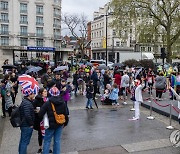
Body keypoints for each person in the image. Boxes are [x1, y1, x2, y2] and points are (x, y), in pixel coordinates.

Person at [38, 87, 69, 154]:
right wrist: (65, 123)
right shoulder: (62, 102)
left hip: (50, 125)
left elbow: (40, 114)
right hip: (59, 123)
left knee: (47, 141)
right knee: (57, 141)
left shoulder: (47, 103)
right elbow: (65, 113)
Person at [33, 88, 52, 153]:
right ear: (41, 93)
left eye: (46, 91)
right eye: (44, 91)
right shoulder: (36, 100)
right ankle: (40, 147)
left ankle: (47, 147)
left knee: (47, 133)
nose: (46, 93)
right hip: (39, 119)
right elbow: (33, 109)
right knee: (40, 134)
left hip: (47, 119)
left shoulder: (48, 99)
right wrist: (37, 111)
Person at [19, 88, 35, 154]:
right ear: (29, 95)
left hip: (24, 124)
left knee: (23, 141)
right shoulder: (27, 103)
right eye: (33, 94)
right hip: (26, 125)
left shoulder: (25, 102)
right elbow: (27, 115)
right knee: (25, 142)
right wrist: (31, 124)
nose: (34, 95)